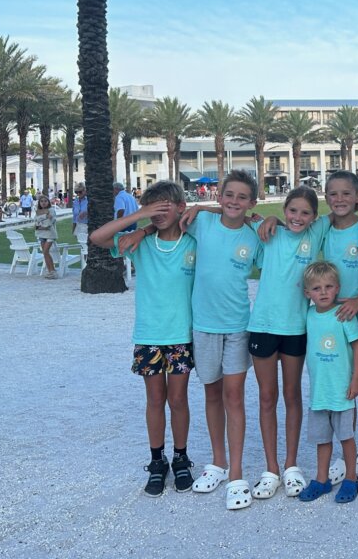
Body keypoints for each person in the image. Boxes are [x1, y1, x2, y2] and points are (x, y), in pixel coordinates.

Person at [161, 170, 262, 509]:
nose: (234, 201)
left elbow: (272, 259)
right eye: (228, 195)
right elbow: (169, 218)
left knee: (234, 396)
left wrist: (264, 221)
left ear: (252, 203)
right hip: (203, 326)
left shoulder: (253, 237)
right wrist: (204, 208)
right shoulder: (203, 223)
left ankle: (236, 473)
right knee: (212, 393)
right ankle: (217, 463)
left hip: (237, 326)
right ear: (220, 197)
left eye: (242, 197)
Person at [90, 180, 196, 497]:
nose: (159, 211)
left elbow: (233, 217)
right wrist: (141, 219)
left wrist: (153, 223)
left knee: (178, 399)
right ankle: (156, 459)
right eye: (154, 206)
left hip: (181, 336)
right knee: (155, 400)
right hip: (150, 335)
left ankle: (180, 456)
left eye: (166, 205)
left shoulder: (193, 241)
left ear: (180, 207)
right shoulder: (140, 244)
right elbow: (98, 237)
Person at [248, 186, 330, 500]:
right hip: (264, 326)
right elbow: (232, 213)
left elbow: (346, 204)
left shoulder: (317, 231)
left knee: (292, 395)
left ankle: (291, 465)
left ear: (314, 217)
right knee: (267, 398)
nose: (298, 217)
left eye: (305, 213)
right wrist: (266, 216)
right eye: (292, 211)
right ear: (284, 210)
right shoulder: (268, 232)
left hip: (296, 328)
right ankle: (271, 468)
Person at [319, 171, 358, 495]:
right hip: (334, 325)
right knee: (343, 392)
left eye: (346, 193)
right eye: (333, 194)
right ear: (326, 197)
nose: (340, 199)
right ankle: (349, 457)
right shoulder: (325, 230)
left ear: (357, 195)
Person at [295, 261, 358, 504]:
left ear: (337, 288)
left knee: (346, 437)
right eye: (316, 288)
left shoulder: (343, 315)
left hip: (342, 390)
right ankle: (321, 479)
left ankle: (351, 478)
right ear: (307, 293)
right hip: (319, 393)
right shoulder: (309, 315)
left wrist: (356, 379)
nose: (323, 292)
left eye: (328, 286)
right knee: (322, 439)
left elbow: (357, 346)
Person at [33, 194, 59, 279]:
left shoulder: (51, 210)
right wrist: (44, 218)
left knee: (45, 251)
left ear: (48, 202)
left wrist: (41, 222)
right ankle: (50, 271)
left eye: (45, 201)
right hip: (41, 234)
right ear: (39, 203)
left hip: (50, 234)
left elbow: (49, 222)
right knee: (45, 253)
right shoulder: (38, 211)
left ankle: (53, 271)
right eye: (41, 201)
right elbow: (36, 222)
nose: (43, 203)